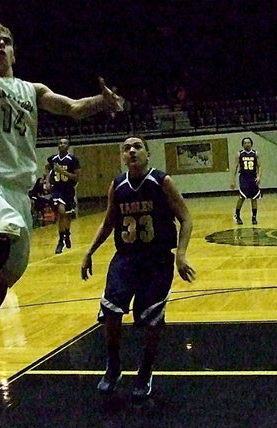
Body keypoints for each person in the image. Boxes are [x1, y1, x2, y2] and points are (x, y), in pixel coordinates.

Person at [0, 0, 124, 411]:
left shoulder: (32, 91)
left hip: (19, 191)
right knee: (0, 239)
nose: (1, 47)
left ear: (14, 51)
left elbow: (72, 107)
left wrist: (102, 101)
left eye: (6, 42)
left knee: (0, 286)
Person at [81, 136, 195, 403]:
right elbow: (109, 222)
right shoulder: (117, 185)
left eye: (137, 147)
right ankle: (113, 366)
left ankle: (145, 371)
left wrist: (181, 254)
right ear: (123, 156)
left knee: (151, 320)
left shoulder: (162, 182)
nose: (131, 151)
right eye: (126, 148)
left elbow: (186, 219)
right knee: (110, 311)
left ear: (147, 154)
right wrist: (89, 251)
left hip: (157, 261)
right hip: (126, 259)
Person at [45, 137, 80, 254]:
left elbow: (77, 177)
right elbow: (48, 169)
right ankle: (61, 241)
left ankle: (67, 233)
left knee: (67, 215)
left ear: (68, 146)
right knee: (61, 212)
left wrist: (62, 172)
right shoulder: (53, 159)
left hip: (68, 190)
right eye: (60, 143)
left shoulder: (73, 160)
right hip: (57, 189)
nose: (62, 145)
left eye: (64, 143)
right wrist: (48, 181)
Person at [230, 137, 262, 225]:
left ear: (251, 144)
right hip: (244, 177)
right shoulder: (240, 154)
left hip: (253, 177)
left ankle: (254, 217)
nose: (247, 144)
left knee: (254, 197)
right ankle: (237, 214)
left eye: (248, 143)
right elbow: (235, 167)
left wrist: (259, 176)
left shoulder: (255, 154)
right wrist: (233, 180)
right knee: (242, 196)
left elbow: (259, 166)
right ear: (242, 145)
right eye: (245, 143)